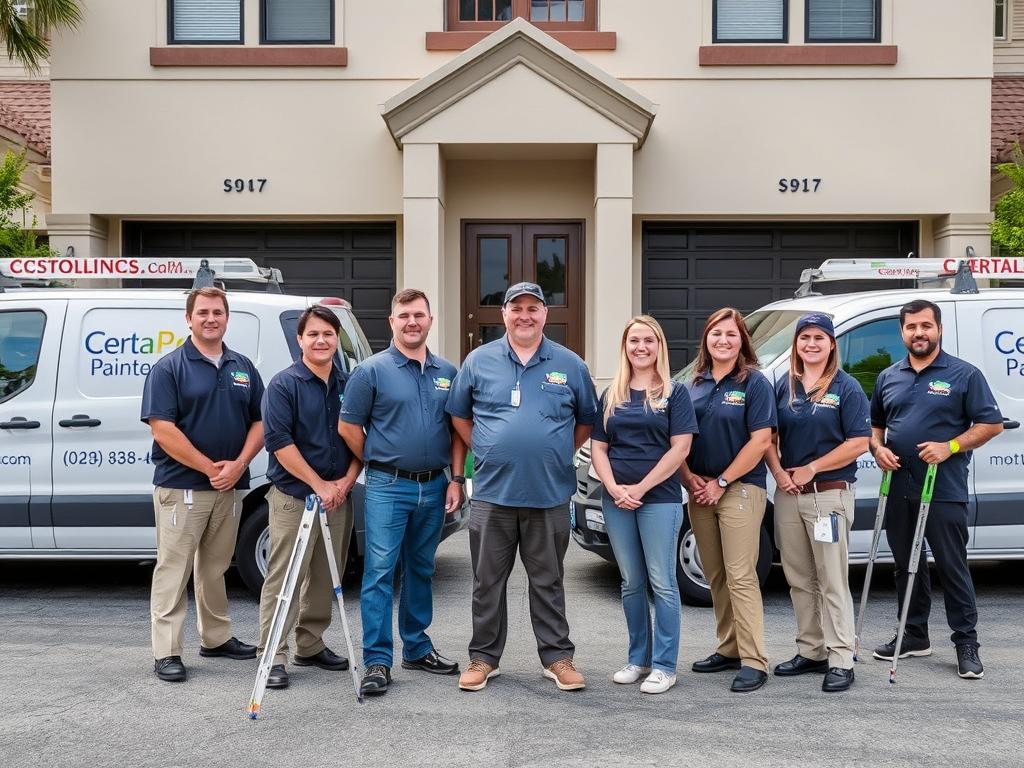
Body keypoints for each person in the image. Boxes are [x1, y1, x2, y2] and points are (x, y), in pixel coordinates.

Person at [446, 282, 597, 692]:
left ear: (545, 314)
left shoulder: (570, 364)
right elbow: (458, 414)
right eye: (517, 308)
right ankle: (483, 658)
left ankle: (557, 658)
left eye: (533, 308)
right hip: (493, 494)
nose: (525, 316)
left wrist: (557, 449)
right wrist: (483, 445)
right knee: (487, 582)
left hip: (549, 494)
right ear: (505, 314)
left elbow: (587, 419)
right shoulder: (478, 361)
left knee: (548, 582)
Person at [339, 289, 466, 696]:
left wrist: (456, 479)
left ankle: (416, 647)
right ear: (391, 322)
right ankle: (378, 660)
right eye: (404, 315)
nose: (412, 322)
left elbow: (457, 430)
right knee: (379, 572)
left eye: (419, 315)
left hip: (434, 485)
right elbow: (348, 427)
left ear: (430, 320)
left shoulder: (448, 372)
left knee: (421, 568)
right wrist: (378, 459)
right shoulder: (371, 372)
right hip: (387, 487)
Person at [869, 299, 1003, 679]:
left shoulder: (964, 374)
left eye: (926, 325)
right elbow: (875, 426)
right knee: (905, 564)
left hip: (942, 487)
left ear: (939, 329)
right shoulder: (888, 376)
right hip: (899, 485)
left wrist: (951, 446)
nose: (919, 333)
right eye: (911, 327)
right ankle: (914, 634)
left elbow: (990, 424)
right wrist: (877, 449)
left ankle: (966, 643)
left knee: (951, 565)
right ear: (902, 332)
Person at [141, 286, 265, 683]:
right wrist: (210, 467)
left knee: (214, 567)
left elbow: (261, 421)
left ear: (227, 317)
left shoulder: (242, 366)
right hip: (182, 487)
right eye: (203, 312)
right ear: (188, 318)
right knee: (173, 569)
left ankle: (216, 638)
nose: (211, 319)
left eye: (218, 312)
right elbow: (162, 429)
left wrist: (239, 464)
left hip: (229, 487)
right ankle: (167, 652)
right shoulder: (169, 368)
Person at [589, 316, 697, 695]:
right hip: (617, 499)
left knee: (662, 582)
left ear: (659, 346)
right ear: (625, 346)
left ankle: (665, 666)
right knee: (631, 582)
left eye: (648, 340)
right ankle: (639, 659)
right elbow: (598, 448)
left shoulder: (674, 393)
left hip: (659, 499)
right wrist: (614, 487)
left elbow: (680, 448)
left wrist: (640, 487)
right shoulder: (612, 394)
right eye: (634, 340)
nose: (641, 347)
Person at [256, 305, 362, 690]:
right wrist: (320, 484)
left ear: (337, 340)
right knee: (285, 576)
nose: (321, 341)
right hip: (295, 496)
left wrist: (345, 483)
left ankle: (310, 643)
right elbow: (278, 442)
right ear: (299, 339)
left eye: (328, 334)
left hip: (338, 496)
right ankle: (273, 654)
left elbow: (362, 438)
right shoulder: (284, 385)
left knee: (324, 575)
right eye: (313, 334)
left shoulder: (350, 384)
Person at [764, 313, 870, 693]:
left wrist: (812, 467)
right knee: (798, 578)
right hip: (789, 496)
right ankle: (811, 651)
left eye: (818, 338)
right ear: (796, 344)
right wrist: (779, 474)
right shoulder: (785, 385)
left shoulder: (846, 387)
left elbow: (859, 442)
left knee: (832, 580)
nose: (811, 344)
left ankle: (841, 657)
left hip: (828, 496)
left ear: (831, 344)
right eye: (804, 337)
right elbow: (768, 438)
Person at [680, 307, 776, 693]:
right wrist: (689, 478)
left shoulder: (754, 383)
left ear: (742, 341)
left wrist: (722, 481)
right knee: (715, 573)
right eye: (716, 333)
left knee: (740, 574)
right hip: (700, 490)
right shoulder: (693, 382)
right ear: (706, 339)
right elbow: (678, 436)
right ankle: (730, 646)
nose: (723, 340)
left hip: (739, 488)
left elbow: (761, 441)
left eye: (731, 334)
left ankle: (754, 660)